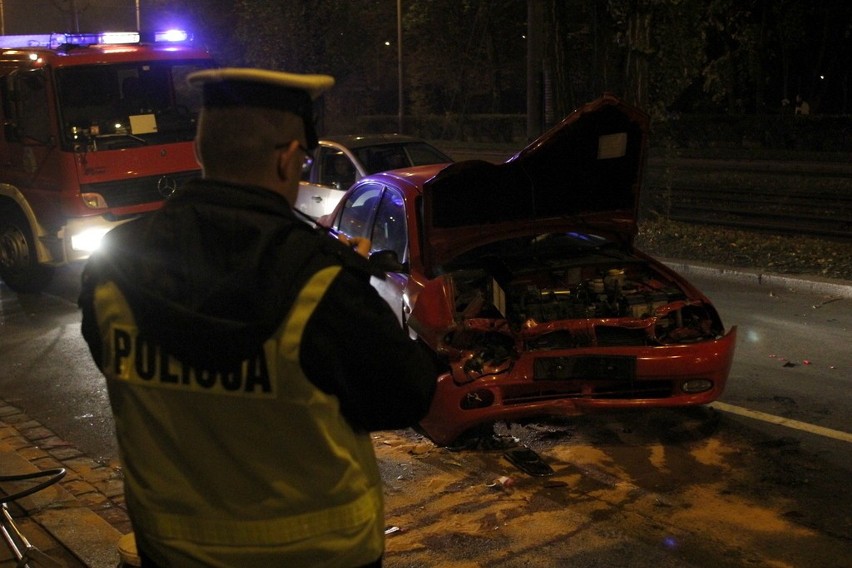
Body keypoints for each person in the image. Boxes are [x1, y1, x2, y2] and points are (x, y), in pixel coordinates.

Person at [78, 67, 437, 568]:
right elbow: (407, 395)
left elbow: (113, 362)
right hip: (319, 555)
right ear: (289, 159)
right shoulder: (321, 279)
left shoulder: (111, 264)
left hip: (173, 550)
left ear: (202, 151)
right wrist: (358, 291)